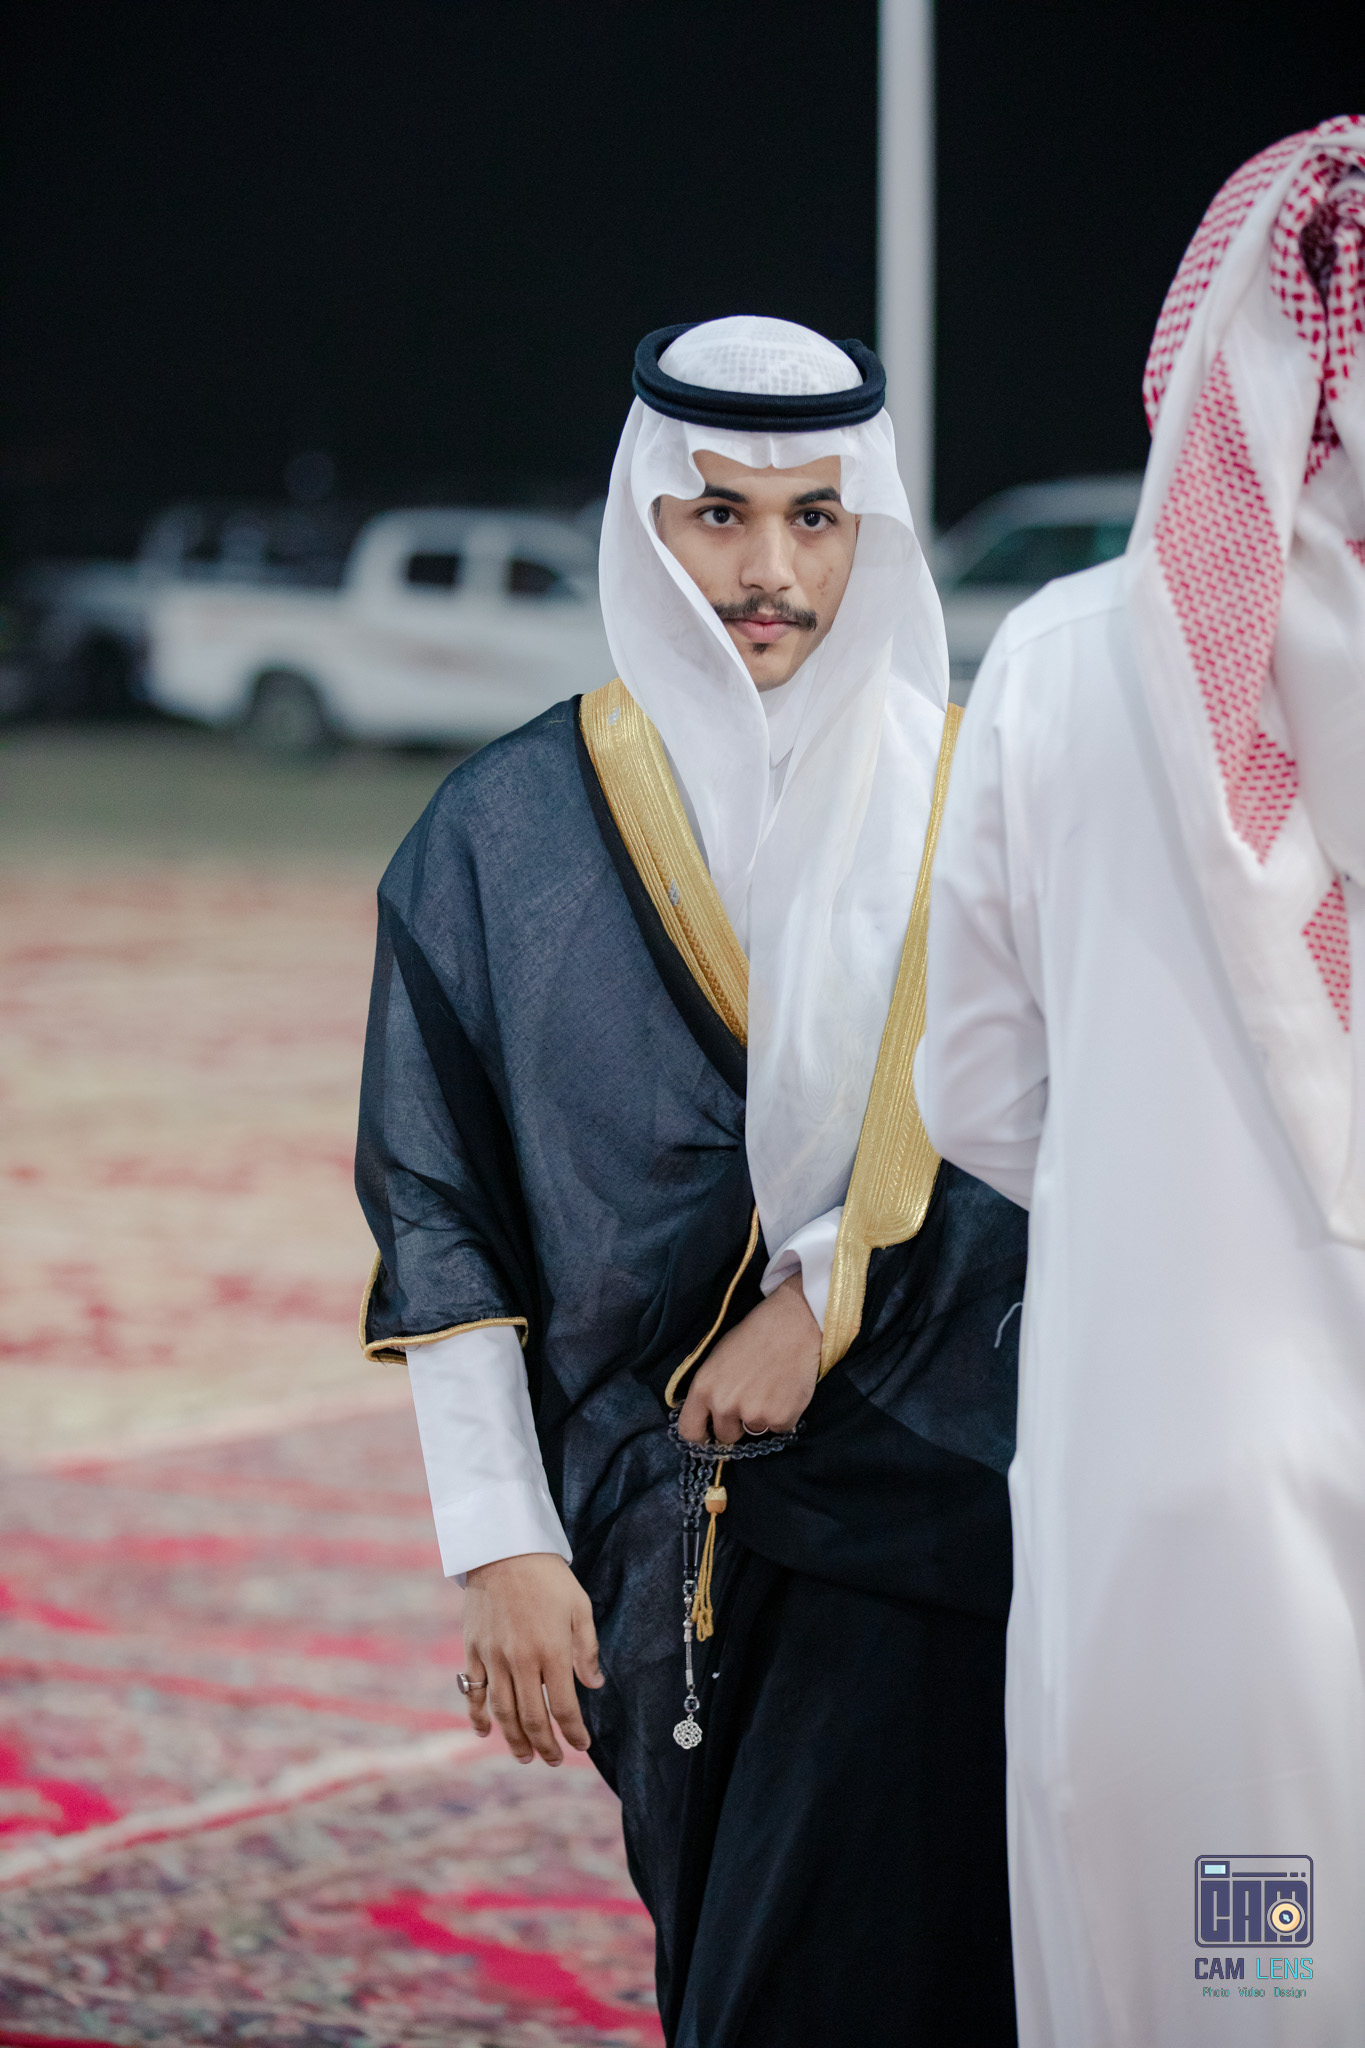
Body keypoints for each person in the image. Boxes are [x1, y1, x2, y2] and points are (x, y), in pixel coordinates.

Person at [356, 315, 1025, 2046]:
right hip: (647, 1503)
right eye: (717, 515)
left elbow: (1051, 1132)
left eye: (814, 518)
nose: (768, 571)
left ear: (870, 530)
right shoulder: (502, 831)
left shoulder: (983, 802)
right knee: (726, 1939)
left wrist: (825, 1290)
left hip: (935, 1478)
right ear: (642, 522)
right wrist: (501, 1543)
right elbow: (438, 1207)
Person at [915, 118, 1365, 2046]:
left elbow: (970, 1086)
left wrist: (1138, 1182)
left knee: (1215, 1953)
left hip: (1166, 1456)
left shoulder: (1055, 654)